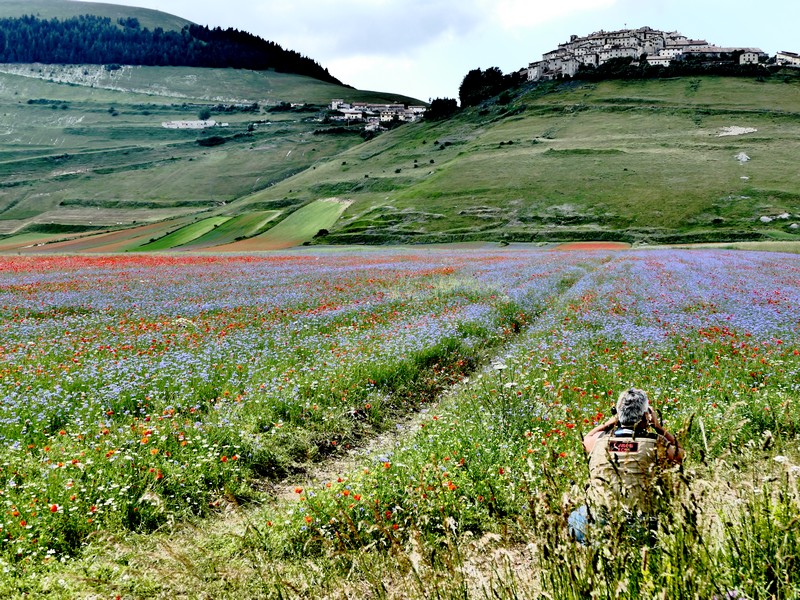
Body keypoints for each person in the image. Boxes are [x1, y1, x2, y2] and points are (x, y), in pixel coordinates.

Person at [568, 387, 684, 543]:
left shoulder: (599, 443)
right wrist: (658, 427)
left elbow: (587, 437)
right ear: (646, 416)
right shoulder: (657, 444)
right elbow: (681, 454)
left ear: (618, 414)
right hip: (640, 526)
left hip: (599, 522)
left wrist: (610, 422)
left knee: (575, 517)